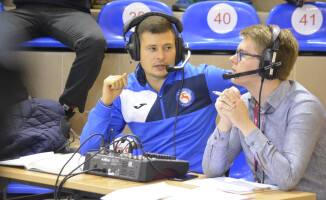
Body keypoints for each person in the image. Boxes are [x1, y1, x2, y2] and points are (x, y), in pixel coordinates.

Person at [79, 12, 245, 173]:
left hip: (199, 183)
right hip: (151, 183)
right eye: (152, 49)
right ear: (136, 51)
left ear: (178, 49)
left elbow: (257, 82)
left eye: (167, 47)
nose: (161, 56)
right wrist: (105, 103)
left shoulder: (205, 78)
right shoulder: (124, 92)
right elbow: (87, 151)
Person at [202, 24, 326, 199]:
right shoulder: (245, 103)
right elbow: (212, 170)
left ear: (268, 64)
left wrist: (245, 124)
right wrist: (226, 120)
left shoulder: (304, 107)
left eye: (242, 54)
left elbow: (287, 179)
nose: (232, 59)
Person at [0, 0, 107, 117]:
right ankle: (20, 104)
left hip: (72, 12)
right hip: (25, 10)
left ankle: (66, 108)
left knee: (94, 41)